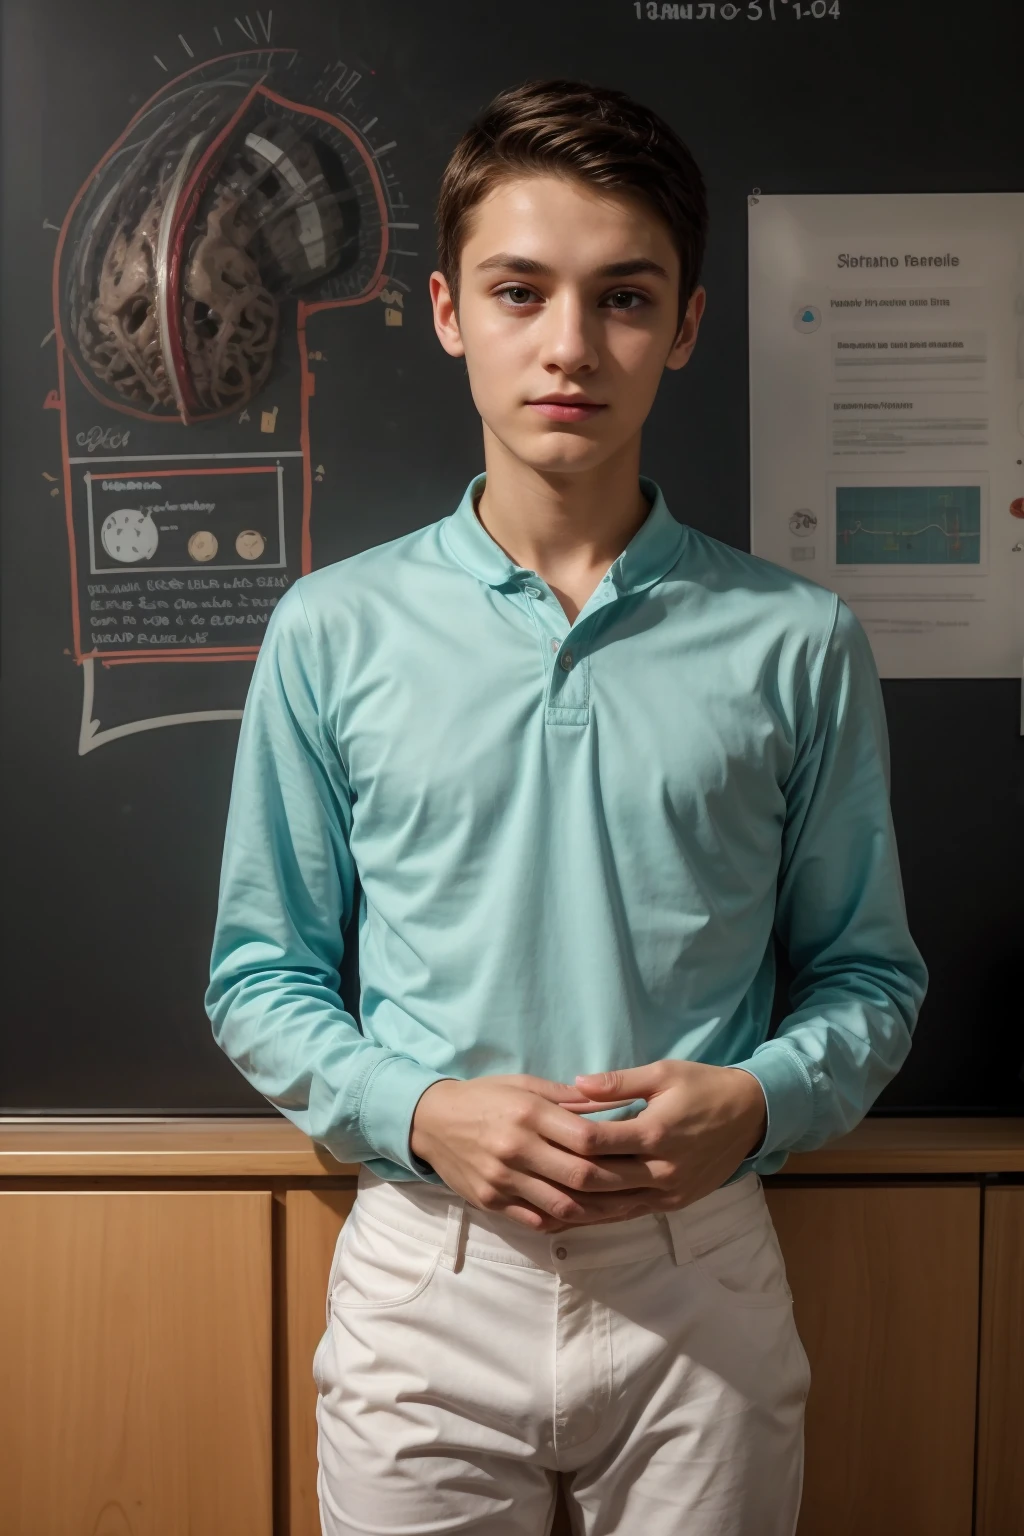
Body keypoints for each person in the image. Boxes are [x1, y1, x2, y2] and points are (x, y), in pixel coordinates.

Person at [205, 77, 928, 1536]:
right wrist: (415, 1113)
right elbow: (259, 976)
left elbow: (870, 973)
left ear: (688, 326)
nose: (570, 348)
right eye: (521, 291)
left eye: (623, 298)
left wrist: (761, 1102)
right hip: (425, 1273)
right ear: (447, 310)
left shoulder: (797, 639)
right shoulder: (329, 630)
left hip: (702, 1276)